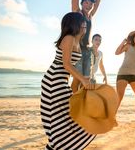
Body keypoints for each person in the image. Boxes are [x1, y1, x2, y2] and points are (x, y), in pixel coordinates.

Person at [41, 12, 96, 149]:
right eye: (81, 22)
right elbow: (66, 64)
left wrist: (84, 78)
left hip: (61, 81)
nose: (84, 25)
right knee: (67, 115)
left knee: (64, 117)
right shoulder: (69, 38)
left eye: (85, 23)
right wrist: (82, 79)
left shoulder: (78, 41)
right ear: (74, 24)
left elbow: (69, 68)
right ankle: (60, 145)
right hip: (54, 81)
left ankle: (57, 145)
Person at [72, 0, 101, 81]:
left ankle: (84, 98)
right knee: (78, 79)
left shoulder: (90, 16)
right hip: (77, 49)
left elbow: (98, 1)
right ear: (82, 3)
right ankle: (74, 98)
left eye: (90, 4)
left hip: (88, 50)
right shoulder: (78, 12)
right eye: (86, 2)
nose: (88, 5)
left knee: (87, 79)